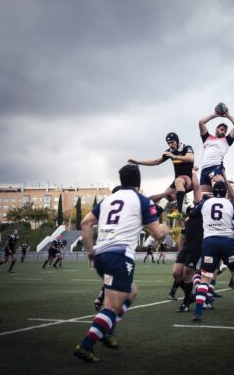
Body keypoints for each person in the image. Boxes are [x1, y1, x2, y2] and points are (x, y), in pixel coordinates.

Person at [74, 164, 168, 363]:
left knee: (131, 291)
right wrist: (165, 228)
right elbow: (157, 234)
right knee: (110, 306)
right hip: (119, 257)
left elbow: (85, 223)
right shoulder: (141, 200)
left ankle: (108, 331)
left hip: (102, 256)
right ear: (138, 181)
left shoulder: (107, 200)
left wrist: (91, 251)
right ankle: (86, 346)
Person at [190, 181, 234, 321]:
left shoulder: (205, 203)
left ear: (213, 192)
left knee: (205, 277)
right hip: (227, 243)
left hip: (209, 244)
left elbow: (192, 215)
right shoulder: (230, 205)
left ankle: (197, 313)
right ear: (226, 192)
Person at [128, 132, 199, 214]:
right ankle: (156, 214)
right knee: (164, 197)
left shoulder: (186, 147)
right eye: (168, 143)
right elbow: (156, 161)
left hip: (189, 180)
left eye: (172, 142)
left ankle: (180, 208)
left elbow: (190, 158)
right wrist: (139, 162)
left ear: (177, 141)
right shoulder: (169, 151)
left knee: (179, 180)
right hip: (177, 181)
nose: (170, 145)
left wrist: (174, 156)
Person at [198, 105, 234, 198]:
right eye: (222, 129)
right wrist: (214, 115)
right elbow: (201, 122)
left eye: (225, 130)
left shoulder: (227, 140)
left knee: (219, 194)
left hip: (215, 167)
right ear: (217, 129)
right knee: (204, 198)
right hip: (204, 169)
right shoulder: (207, 138)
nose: (224, 131)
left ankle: (226, 208)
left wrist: (228, 115)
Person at [168, 205, 203, 311]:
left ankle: (186, 303)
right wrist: (180, 251)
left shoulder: (203, 220)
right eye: (189, 211)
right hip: (185, 249)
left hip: (196, 248)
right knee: (176, 273)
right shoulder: (187, 222)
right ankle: (191, 296)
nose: (190, 213)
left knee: (187, 273)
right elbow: (181, 238)